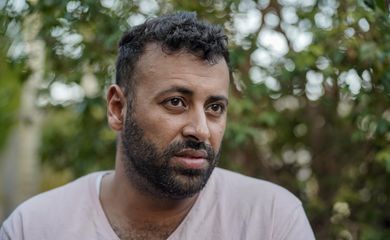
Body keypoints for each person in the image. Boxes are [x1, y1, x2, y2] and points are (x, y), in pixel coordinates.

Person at [0, 12, 315, 240]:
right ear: (117, 108)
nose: (201, 130)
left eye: (215, 107)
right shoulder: (34, 227)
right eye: (176, 102)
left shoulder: (271, 220)